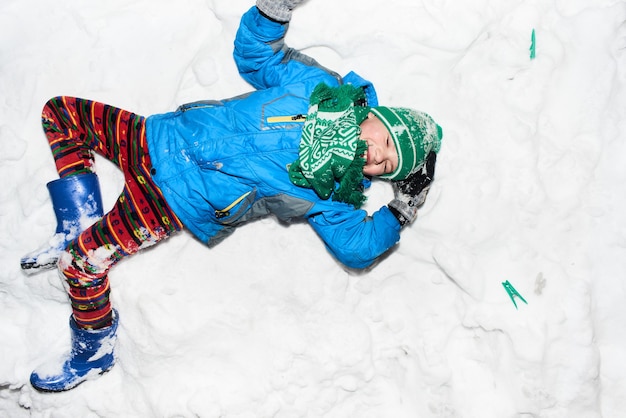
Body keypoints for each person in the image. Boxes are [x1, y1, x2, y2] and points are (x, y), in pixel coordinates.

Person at [22, 0, 442, 392]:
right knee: (60, 112)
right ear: (373, 115)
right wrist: (273, 11)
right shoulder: (319, 87)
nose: (377, 156)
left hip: (170, 203)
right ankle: (77, 220)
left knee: (78, 264)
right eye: (384, 140)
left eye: (386, 165)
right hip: (155, 136)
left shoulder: (332, 193)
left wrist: (403, 208)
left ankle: (94, 348)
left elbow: (357, 247)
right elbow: (257, 57)